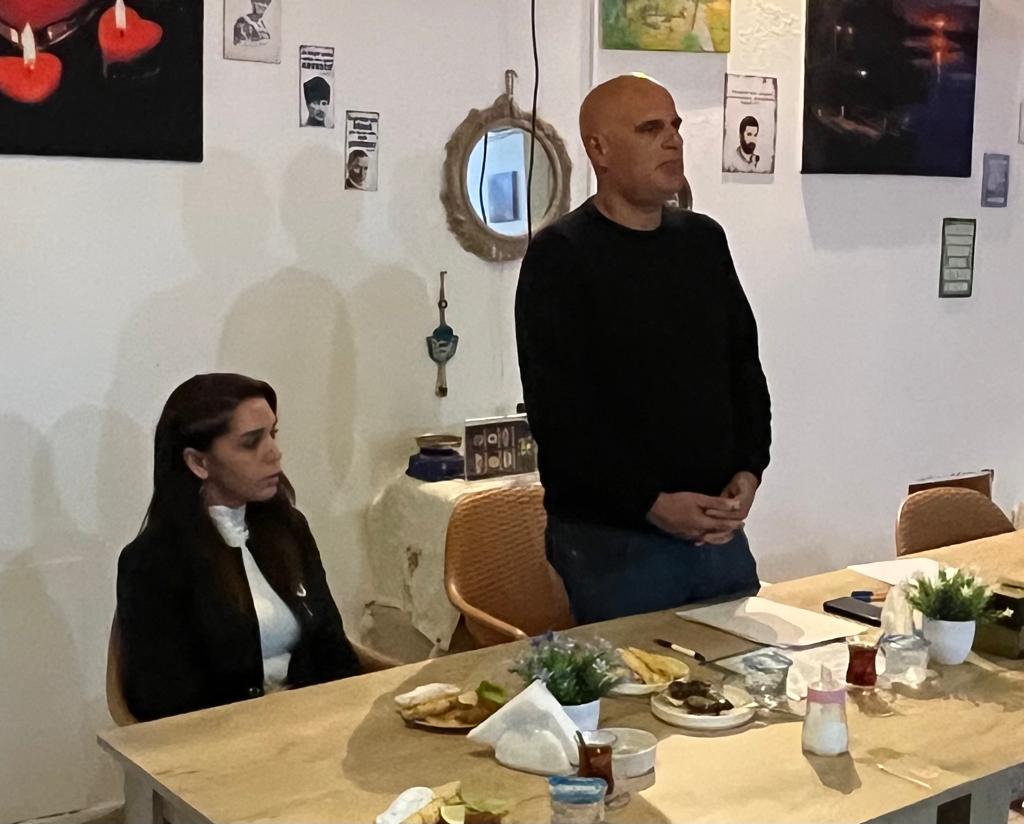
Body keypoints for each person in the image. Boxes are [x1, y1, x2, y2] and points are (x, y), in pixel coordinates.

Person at [515, 74, 771, 624]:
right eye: (650, 129)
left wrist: (750, 470)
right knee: (633, 680)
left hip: (716, 532)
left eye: (674, 126)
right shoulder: (562, 257)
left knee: (744, 674)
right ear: (599, 149)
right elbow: (560, 416)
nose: (673, 140)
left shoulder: (703, 241)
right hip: (616, 545)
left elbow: (743, 370)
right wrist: (650, 504)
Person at [116, 373, 363, 721]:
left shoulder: (288, 528)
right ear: (198, 462)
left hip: (313, 723)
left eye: (273, 434)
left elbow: (333, 649)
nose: (275, 453)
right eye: (251, 443)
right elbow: (164, 702)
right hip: (220, 740)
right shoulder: (153, 560)